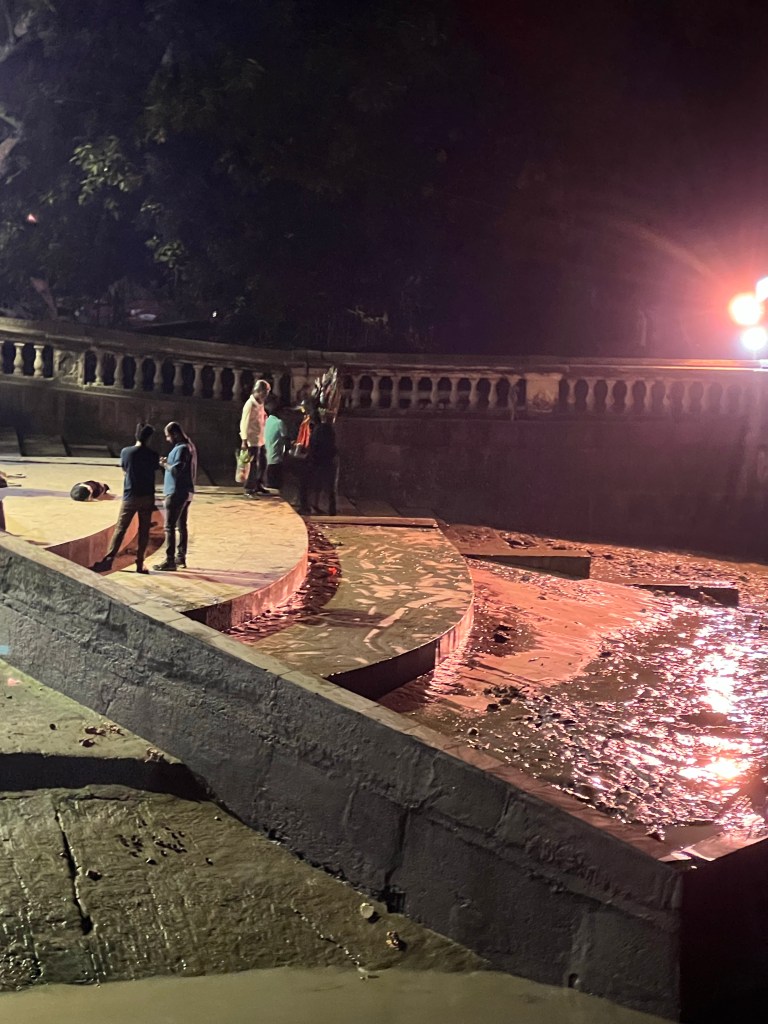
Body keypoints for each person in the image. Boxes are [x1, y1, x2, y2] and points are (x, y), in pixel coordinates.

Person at [93, 423, 159, 574]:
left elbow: (124, 469)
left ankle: (108, 561)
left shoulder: (126, 452)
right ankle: (140, 563)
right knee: (144, 531)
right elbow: (154, 470)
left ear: (136, 435)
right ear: (149, 438)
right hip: (147, 496)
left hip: (131, 495)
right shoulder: (153, 454)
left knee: (121, 529)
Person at [155, 421, 197, 571]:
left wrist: (164, 464)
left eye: (168, 436)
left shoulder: (182, 448)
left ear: (175, 434)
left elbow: (176, 470)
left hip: (176, 491)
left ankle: (170, 560)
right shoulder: (189, 446)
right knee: (181, 525)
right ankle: (180, 557)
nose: (167, 439)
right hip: (186, 491)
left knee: (169, 527)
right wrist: (168, 462)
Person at [239, 379, 271, 497]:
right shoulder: (250, 404)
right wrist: (244, 440)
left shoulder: (260, 403)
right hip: (251, 439)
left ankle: (258, 483)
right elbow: (244, 422)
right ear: (259, 391)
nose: (266, 395)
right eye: (265, 392)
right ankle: (249, 487)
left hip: (260, 438)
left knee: (263, 462)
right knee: (252, 464)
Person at [307, 408, 339, 516]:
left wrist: (311, 458)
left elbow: (313, 446)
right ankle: (331, 509)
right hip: (329, 459)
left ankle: (314, 506)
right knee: (330, 486)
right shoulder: (329, 429)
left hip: (319, 460)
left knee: (317, 485)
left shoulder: (317, 430)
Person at [263, 394, 289, 491]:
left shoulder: (266, 422)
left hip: (266, 459)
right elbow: (286, 441)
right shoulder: (279, 423)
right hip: (276, 461)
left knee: (269, 488)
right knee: (275, 489)